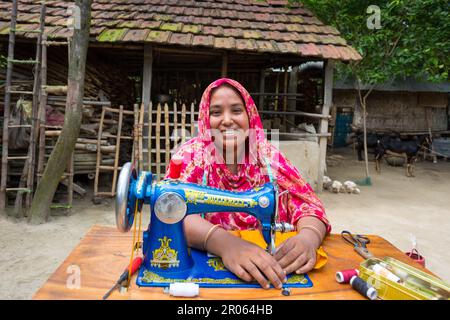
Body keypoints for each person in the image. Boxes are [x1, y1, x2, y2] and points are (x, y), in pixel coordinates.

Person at [165, 78, 331, 289]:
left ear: (250, 115)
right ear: (205, 119)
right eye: (216, 113)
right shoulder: (190, 157)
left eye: (236, 110)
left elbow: (307, 204)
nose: (226, 120)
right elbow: (170, 212)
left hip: (268, 268)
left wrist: (310, 236)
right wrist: (225, 244)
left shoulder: (269, 159)